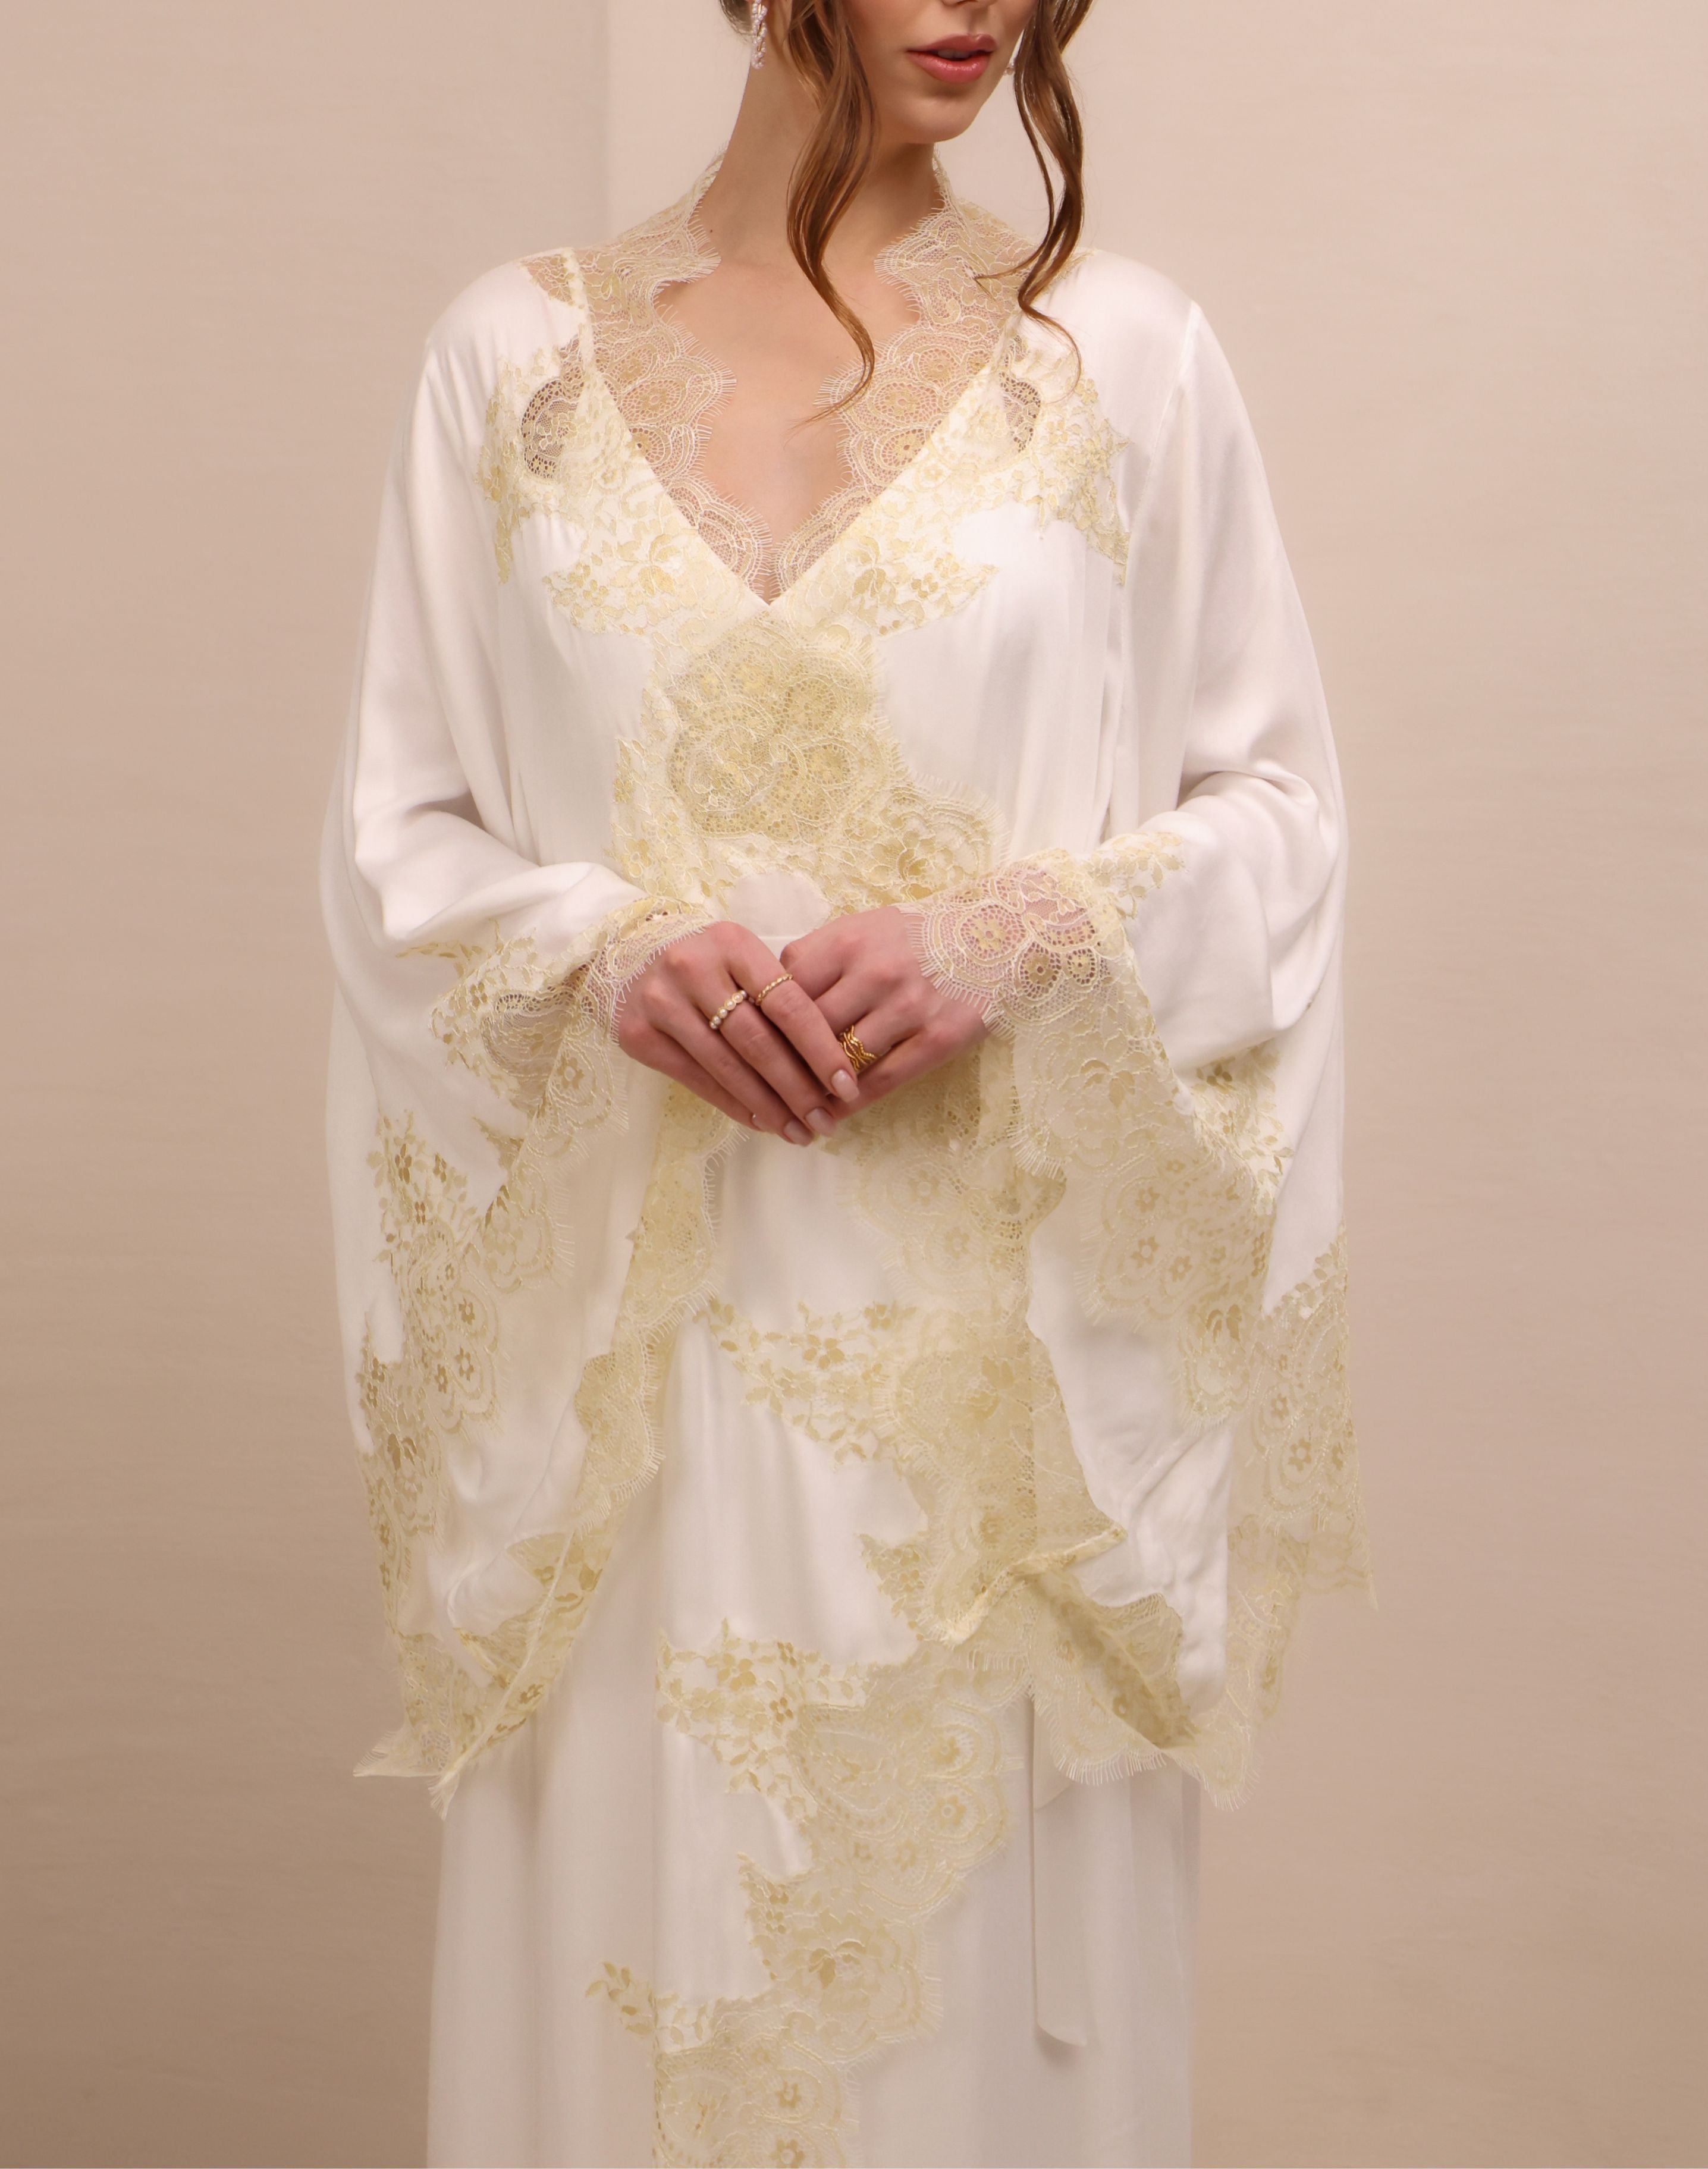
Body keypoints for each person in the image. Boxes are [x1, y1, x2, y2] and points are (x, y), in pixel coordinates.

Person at [321, 2, 1368, 2162]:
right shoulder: (509, 366)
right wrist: (600, 950)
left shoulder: (1121, 359)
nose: (981, 7)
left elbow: (1281, 817)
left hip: (997, 1434)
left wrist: (1026, 932)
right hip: (630, 1423)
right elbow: (397, 841)